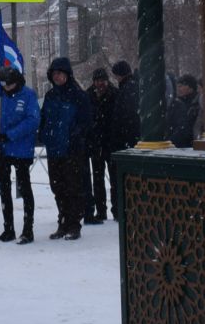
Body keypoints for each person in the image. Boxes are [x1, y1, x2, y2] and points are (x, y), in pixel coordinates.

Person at [39, 58, 94, 241]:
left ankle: (74, 225)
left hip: (72, 150)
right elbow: (44, 119)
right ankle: (62, 222)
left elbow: (86, 121)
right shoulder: (50, 96)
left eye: (60, 73)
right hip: (54, 149)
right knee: (58, 187)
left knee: (73, 188)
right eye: (54, 74)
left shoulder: (78, 95)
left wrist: (74, 137)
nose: (57, 77)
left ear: (67, 75)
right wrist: (44, 135)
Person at [0, 66, 40, 244]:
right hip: (2, 150)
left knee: (25, 188)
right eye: (4, 85)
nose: (7, 88)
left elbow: (33, 121)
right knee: (4, 190)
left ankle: (27, 229)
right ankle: (8, 228)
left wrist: (11, 134)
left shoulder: (28, 95)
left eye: (10, 85)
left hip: (22, 149)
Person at [107, 60, 139, 220]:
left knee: (120, 179)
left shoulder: (126, 90)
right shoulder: (133, 88)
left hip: (124, 141)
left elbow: (124, 117)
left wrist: (119, 137)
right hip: (130, 139)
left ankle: (122, 209)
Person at [85, 68, 116, 224]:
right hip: (96, 143)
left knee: (114, 180)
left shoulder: (114, 94)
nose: (100, 84)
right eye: (97, 81)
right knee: (98, 180)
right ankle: (101, 210)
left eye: (102, 81)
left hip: (110, 143)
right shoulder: (88, 95)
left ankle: (116, 210)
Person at [169, 74, 201, 148]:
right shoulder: (176, 103)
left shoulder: (196, 104)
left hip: (189, 145)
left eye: (181, 86)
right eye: (178, 86)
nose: (179, 89)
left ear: (190, 88)